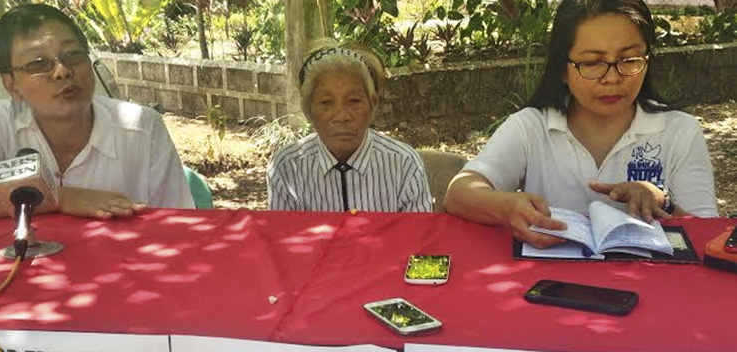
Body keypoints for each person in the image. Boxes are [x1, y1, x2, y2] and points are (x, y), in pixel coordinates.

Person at [444, 0, 717, 248]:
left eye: (629, 59)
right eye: (592, 63)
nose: (612, 78)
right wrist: (507, 207)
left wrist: (663, 201)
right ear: (563, 69)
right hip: (550, 284)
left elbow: (710, 233)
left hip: (653, 285)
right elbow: (459, 193)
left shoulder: (679, 131)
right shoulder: (532, 126)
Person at [0, 4, 194, 220]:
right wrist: (59, 198)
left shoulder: (140, 127)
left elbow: (181, 222)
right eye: (39, 63)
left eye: (73, 55)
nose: (62, 71)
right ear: (12, 85)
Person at [267, 41, 433, 212]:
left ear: (373, 105)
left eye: (354, 101)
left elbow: (418, 236)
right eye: (326, 103)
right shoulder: (286, 167)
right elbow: (282, 235)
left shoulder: (404, 164)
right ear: (308, 110)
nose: (342, 116)